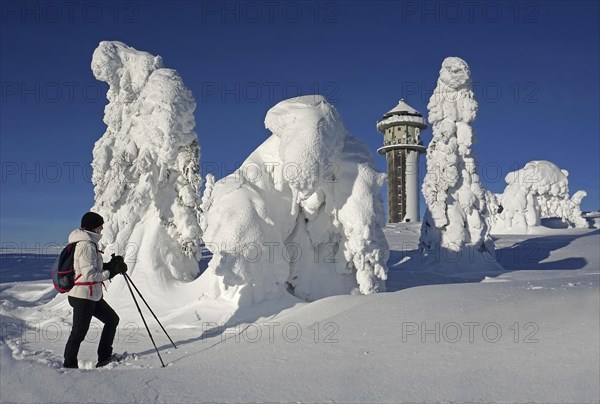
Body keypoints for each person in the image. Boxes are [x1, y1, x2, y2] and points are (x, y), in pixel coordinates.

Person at [63, 212, 128, 369]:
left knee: (112, 320)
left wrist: (111, 265)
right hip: (83, 296)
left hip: (91, 295)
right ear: (92, 227)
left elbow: (91, 268)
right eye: (100, 226)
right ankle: (69, 366)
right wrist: (111, 272)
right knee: (79, 333)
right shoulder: (86, 245)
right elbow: (90, 274)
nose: (102, 229)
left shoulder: (88, 243)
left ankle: (104, 357)